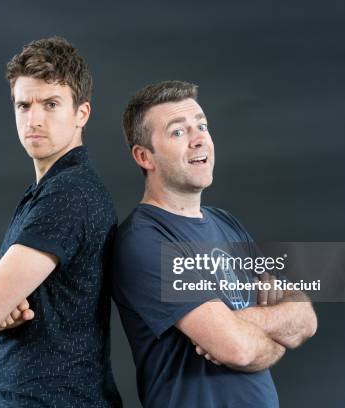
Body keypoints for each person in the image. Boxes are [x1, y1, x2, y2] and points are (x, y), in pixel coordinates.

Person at [112, 80, 317, 407]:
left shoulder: (226, 224)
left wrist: (240, 323)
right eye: (178, 132)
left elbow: (305, 318)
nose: (198, 140)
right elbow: (238, 349)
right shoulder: (145, 240)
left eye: (202, 126)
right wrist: (268, 331)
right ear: (144, 156)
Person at [0, 37, 122, 408]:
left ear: (82, 113)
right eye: (23, 105)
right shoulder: (46, 191)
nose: (34, 119)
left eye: (51, 104)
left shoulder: (68, 195)